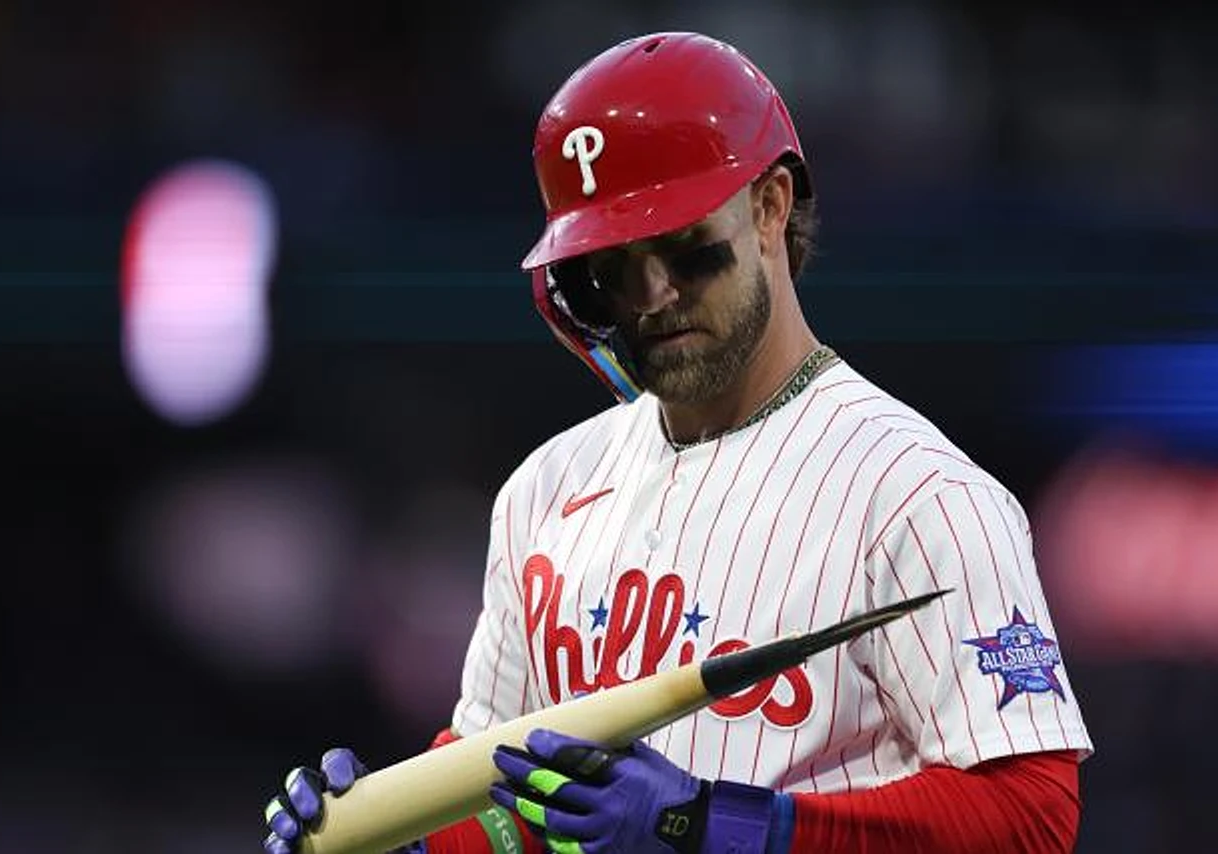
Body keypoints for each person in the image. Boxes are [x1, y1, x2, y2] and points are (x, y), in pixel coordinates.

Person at [263, 31, 1093, 853]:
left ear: (769, 207)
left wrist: (718, 826)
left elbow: (1031, 817)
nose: (652, 294)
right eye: (612, 266)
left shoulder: (918, 495)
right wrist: (391, 832)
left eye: (683, 246)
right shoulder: (545, 491)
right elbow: (506, 802)